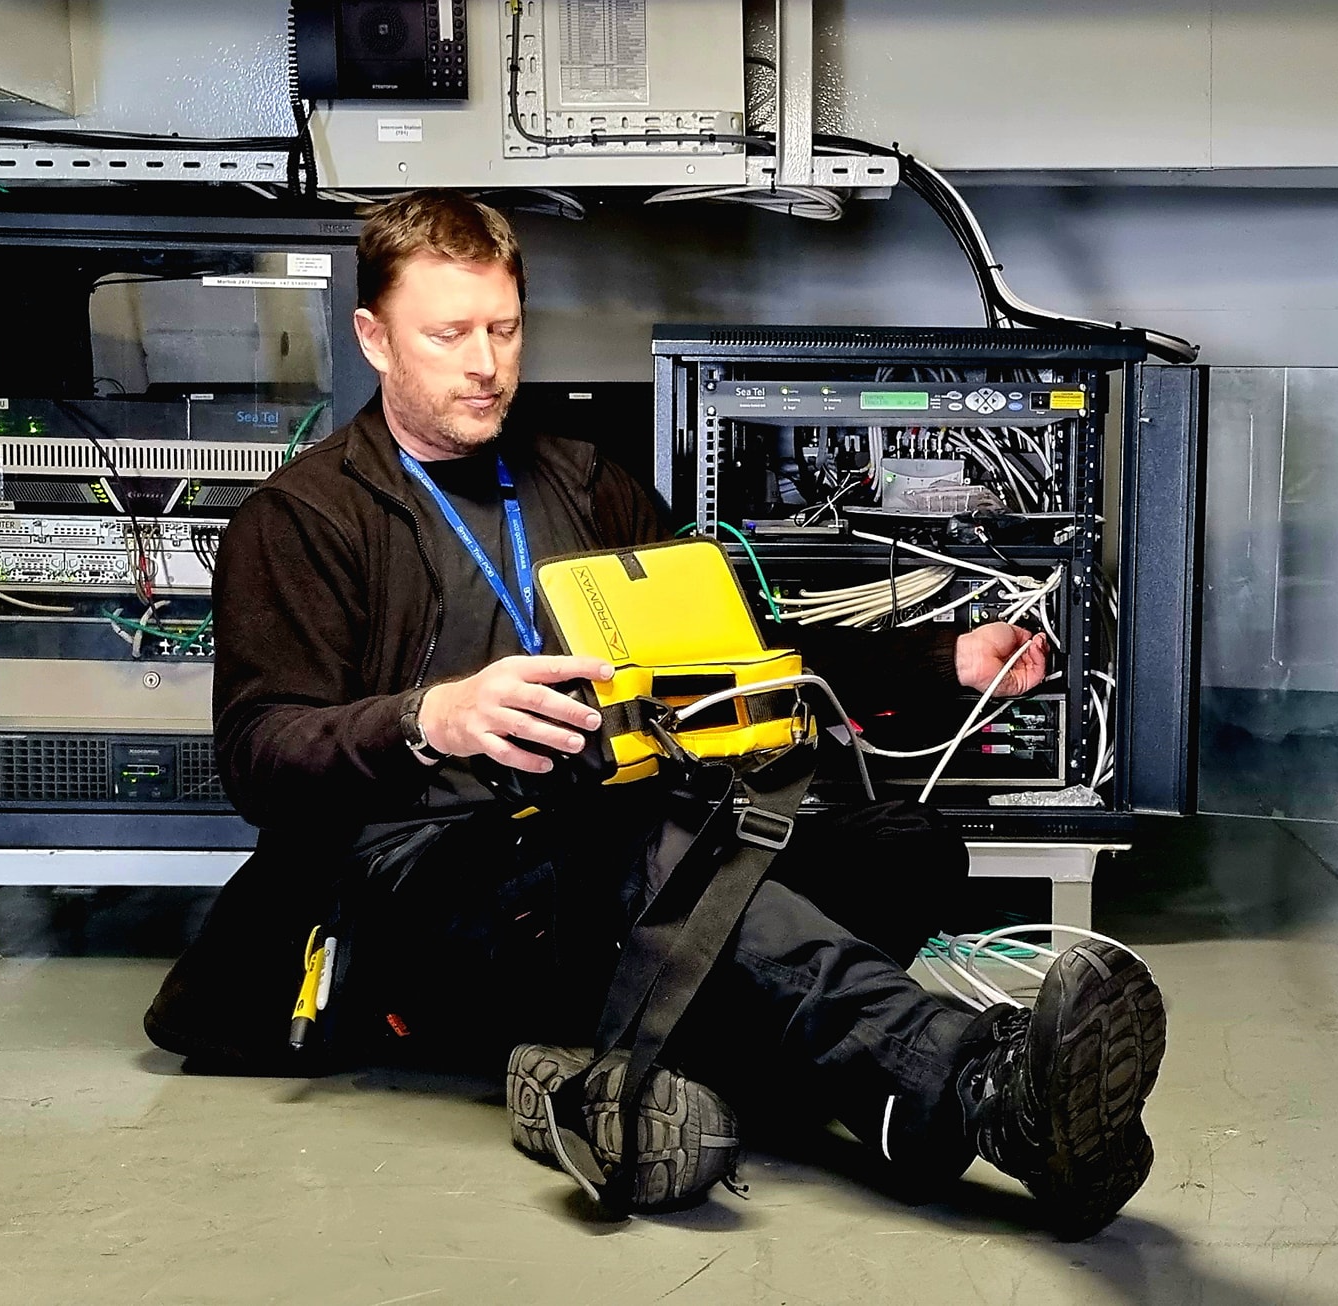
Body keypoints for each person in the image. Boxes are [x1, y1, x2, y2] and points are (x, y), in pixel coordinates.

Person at [145, 191, 1165, 1239]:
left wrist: (941, 659)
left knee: (905, 850)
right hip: (421, 888)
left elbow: (740, 655)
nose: (486, 364)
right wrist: (429, 717)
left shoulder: (584, 481)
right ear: (374, 338)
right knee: (648, 849)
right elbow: (259, 754)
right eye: (448, 335)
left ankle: (638, 1077)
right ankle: (977, 1089)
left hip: (608, 854)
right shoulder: (302, 518)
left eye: (504, 329)